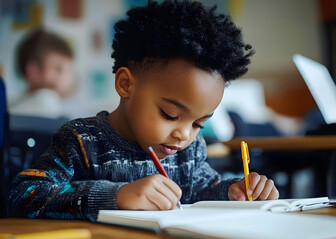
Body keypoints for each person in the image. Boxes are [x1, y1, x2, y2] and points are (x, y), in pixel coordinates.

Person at [7, 0, 279, 222]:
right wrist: (116, 196)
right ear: (126, 85)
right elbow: (23, 196)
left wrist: (234, 191)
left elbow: (203, 189)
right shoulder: (82, 140)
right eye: (170, 115)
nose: (183, 135)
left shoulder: (189, 154)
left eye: (198, 123)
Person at [9, 28, 75, 119]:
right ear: (33, 71)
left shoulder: (11, 103)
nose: (66, 77)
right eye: (58, 69)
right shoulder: (47, 99)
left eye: (68, 70)